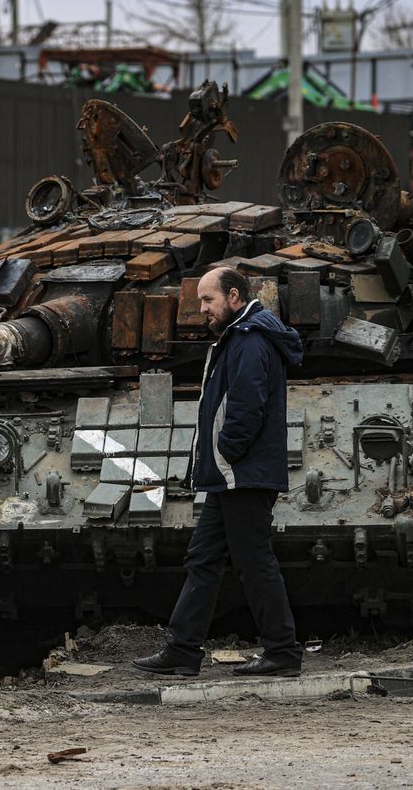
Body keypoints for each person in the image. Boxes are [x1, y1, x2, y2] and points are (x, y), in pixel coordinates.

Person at [134, 267, 304, 678]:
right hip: (231, 473)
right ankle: (183, 650)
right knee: (204, 558)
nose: (201, 310)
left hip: (241, 473)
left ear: (232, 297)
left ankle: (282, 651)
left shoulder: (249, 339)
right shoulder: (237, 338)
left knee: (253, 561)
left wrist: (225, 451)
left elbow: (246, 407)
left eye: (207, 300)